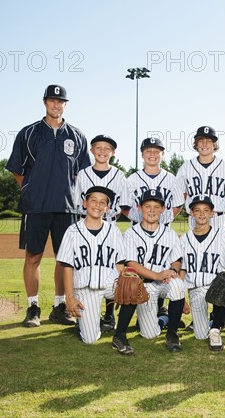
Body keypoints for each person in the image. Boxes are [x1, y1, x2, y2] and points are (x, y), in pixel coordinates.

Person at [6, 84, 90, 328]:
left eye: (60, 101)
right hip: (36, 207)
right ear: (44, 102)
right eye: (52, 101)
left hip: (67, 208)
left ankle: (59, 306)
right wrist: (30, 189)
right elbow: (16, 169)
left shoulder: (77, 135)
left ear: (65, 104)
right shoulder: (29, 133)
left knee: (64, 260)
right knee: (33, 257)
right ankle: (33, 307)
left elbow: (83, 175)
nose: (56, 105)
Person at [175, 126, 225, 330]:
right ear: (196, 144)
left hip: (217, 217)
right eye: (200, 140)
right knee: (195, 261)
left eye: (208, 141)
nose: (204, 144)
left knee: (219, 264)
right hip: (195, 218)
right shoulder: (186, 167)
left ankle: (222, 311)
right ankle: (200, 310)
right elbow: (181, 195)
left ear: (214, 144)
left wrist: (215, 208)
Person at [112, 190, 184, 355]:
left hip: (165, 283)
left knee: (178, 285)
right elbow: (131, 263)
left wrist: (172, 271)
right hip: (143, 287)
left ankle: (172, 334)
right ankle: (162, 319)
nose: (152, 210)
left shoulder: (169, 233)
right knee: (149, 334)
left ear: (163, 209)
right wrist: (157, 275)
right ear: (139, 208)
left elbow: (177, 259)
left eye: (156, 207)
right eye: (147, 206)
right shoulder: (131, 234)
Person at [58, 186, 126, 344]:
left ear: (107, 208)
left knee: (133, 289)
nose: (97, 205)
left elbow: (120, 264)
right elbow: (67, 267)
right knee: (90, 339)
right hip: (85, 288)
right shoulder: (72, 231)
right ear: (84, 203)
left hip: (110, 283)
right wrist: (69, 297)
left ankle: (120, 333)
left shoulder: (113, 231)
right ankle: (86, 321)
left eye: (102, 202)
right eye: (93, 200)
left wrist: (123, 286)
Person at [178, 195, 225, 351]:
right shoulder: (184, 239)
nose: (202, 214)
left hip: (215, 285)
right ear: (191, 214)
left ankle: (215, 328)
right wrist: (181, 299)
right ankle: (221, 319)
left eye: (206, 210)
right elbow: (182, 270)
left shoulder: (220, 235)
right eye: (197, 210)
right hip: (195, 289)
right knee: (200, 334)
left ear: (212, 213)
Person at [75, 134, 127, 333]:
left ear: (113, 153)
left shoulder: (119, 175)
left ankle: (109, 314)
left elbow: (123, 205)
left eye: (107, 149)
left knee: (112, 269)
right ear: (92, 151)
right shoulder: (83, 174)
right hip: (86, 227)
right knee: (84, 268)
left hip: (110, 226)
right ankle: (84, 314)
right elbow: (76, 202)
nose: (103, 151)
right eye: (99, 147)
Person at [122, 137, 183, 226]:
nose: (152, 154)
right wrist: (136, 219)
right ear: (142, 154)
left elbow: (178, 204)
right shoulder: (132, 179)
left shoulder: (172, 179)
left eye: (156, 151)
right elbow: (124, 206)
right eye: (148, 151)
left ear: (163, 154)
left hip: (164, 228)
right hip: (138, 228)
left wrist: (166, 219)